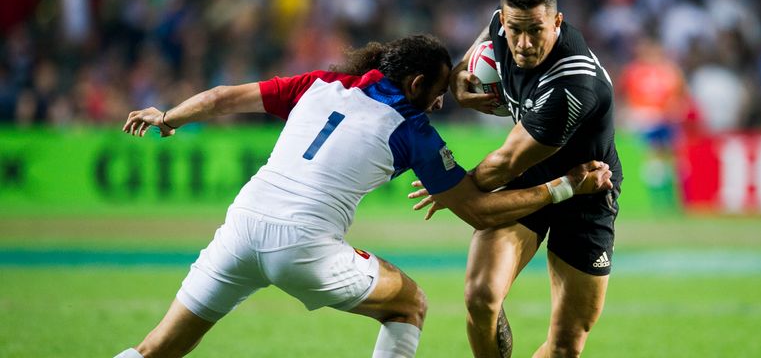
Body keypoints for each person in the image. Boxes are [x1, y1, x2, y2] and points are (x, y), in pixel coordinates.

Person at [114, 34, 612, 358]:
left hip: (240, 228)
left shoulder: (321, 83)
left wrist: (169, 116)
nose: (440, 103)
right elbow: (480, 212)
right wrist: (564, 187)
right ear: (416, 84)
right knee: (409, 305)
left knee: (156, 349)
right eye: (438, 92)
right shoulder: (412, 128)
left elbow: (223, 97)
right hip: (303, 245)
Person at [411, 0, 623, 357]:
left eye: (536, 31)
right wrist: (460, 76)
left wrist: (454, 187)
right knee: (481, 296)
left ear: (557, 23)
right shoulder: (501, 25)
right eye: (515, 30)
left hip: (587, 188)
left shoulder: (572, 85)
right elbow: (483, 41)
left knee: (566, 345)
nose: (523, 44)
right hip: (534, 173)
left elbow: (506, 163)